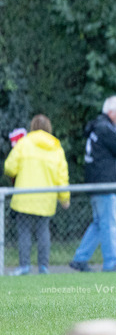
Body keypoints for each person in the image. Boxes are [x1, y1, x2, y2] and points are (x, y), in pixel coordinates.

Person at [69, 96, 116, 273]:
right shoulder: (105, 129)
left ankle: (80, 259)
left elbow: (106, 155)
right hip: (105, 185)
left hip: (96, 183)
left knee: (98, 223)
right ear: (110, 112)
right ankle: (111, 264)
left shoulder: (98, 128)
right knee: (109, 223)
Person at [3, 115, 70, 275]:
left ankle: (24, 266)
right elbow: (62, 176)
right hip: (46, 197)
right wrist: (64, 198)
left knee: (24, 231)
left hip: (24, 195)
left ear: (32, 126)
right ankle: (43, 267)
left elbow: (9, 167)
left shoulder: (23, 143)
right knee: (43, 231)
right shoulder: (56, 147)